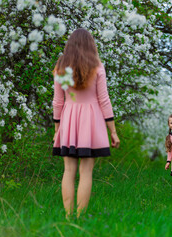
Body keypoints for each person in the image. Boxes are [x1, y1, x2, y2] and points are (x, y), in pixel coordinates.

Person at [52, 28, 120, 218]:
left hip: (68, 120)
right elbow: (104, 99)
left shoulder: (60, 66)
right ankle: (81, 218)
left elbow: (58, 101)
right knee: (86, 172)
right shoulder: (97, 65)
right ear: (91, 44)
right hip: (91, 121)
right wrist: (112, 131)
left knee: (68, 171)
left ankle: (68, 216)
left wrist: (57, 129)